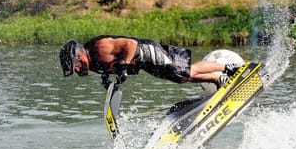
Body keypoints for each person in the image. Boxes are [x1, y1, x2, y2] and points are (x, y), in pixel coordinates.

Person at [59, 35, 241, 90]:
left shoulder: (101, 47)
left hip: (147, 52)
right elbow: (116, 68)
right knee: (181, 79)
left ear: (79, 54)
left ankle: (227, 67)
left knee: (185, 72)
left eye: (75, 64)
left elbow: (131, 44)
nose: (77, 69)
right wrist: (109, 78)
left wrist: (125, 63)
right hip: (144, 64)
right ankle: (217, 80)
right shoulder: (94, 65)